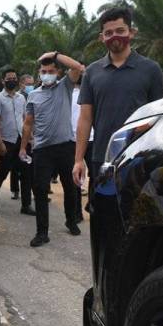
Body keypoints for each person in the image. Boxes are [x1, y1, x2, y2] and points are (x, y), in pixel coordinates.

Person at [73, 7, 163, 188]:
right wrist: (78, 160)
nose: (115, 36)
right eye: (108, 33)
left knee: (138, 214)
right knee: (102, 214)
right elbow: (85, 119)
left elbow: (160, 117)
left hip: (139, 158)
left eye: (120, 31)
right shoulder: (92, 72)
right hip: (102, 159)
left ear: (131, 33)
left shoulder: (151, 69)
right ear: (102, 38)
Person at [19, 52, 84, 247]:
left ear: (58, 72)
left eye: (51, 71)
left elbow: (78, 68)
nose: (47, 74)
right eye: (44, 71)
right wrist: (23, 148)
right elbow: (28, 124)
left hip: (65, 147)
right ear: (39, 74)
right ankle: (42, 232)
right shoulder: (33, 95)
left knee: (70, 187)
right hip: (42, 150)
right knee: (39, 190)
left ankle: (71, 220)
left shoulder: (64, 86)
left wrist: (55, 55)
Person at [0, 68, 35, 216]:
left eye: (14, 78)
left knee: (27, 173)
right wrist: (0, 142)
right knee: (2, 173)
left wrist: (30, 136)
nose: (12, 81)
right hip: (7, 141)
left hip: (22, 141)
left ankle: (26, 205)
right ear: (3, 81)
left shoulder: (21, 98)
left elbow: (24, 119)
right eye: (9, 78)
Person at [71, 75, 94, 221]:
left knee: (76, 177)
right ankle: (90, 205)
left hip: (76, 139)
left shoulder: (68, 94)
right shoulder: (92, 93)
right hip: (88, 138)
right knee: (95, 175)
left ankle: (78, 212)